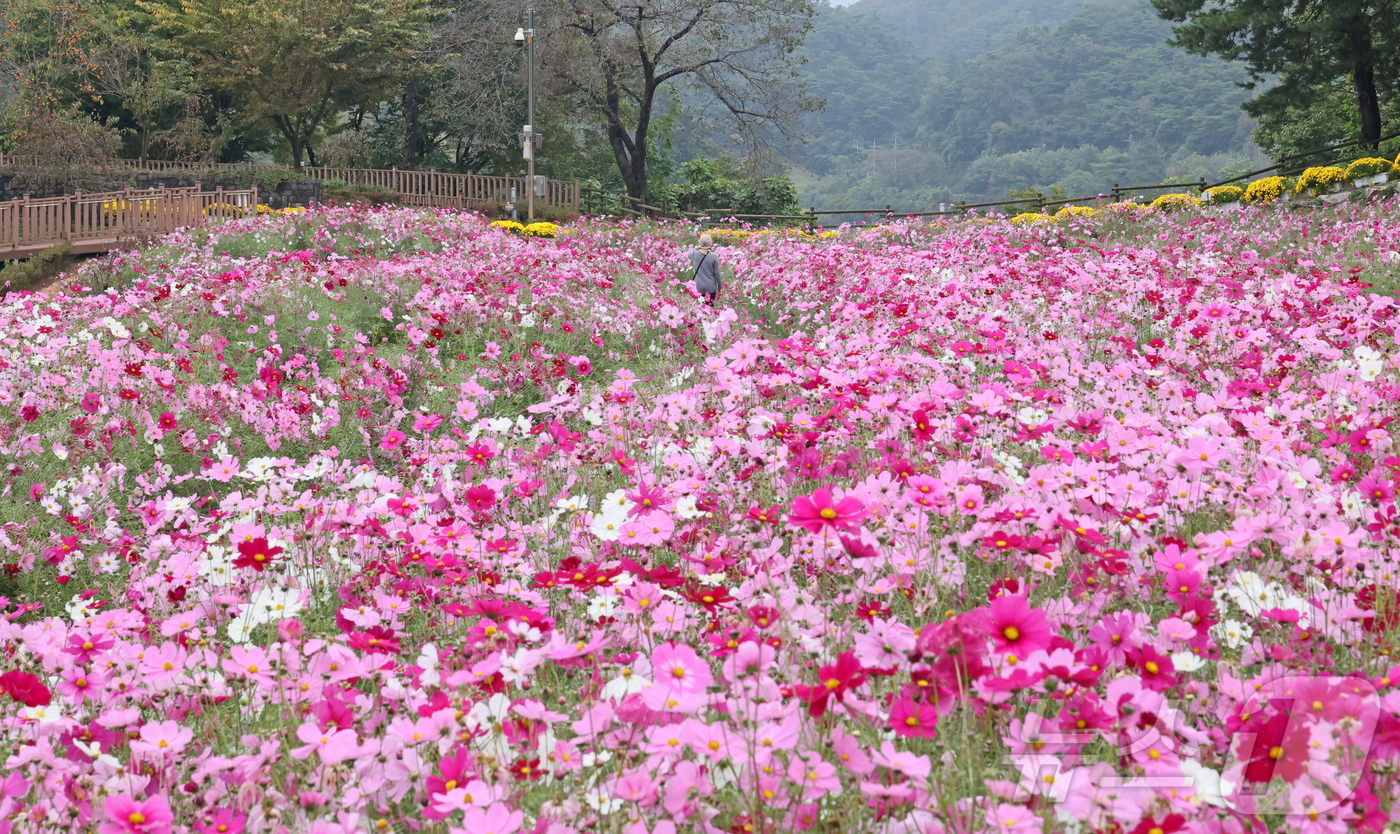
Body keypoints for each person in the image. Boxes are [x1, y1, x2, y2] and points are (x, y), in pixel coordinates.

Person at [688, 234, 722, 306]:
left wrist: (698, 247)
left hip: (698, 286)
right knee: (709, 310)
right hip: (710, 287)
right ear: (710, 244)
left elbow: (689, 255)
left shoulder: (695, 254)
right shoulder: (713, 257)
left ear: (700, 243)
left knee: (698, 309)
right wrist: (720, 287)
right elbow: (717, 273)